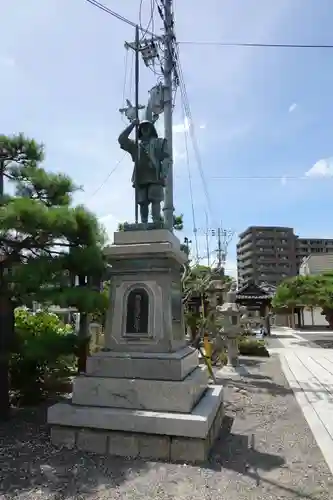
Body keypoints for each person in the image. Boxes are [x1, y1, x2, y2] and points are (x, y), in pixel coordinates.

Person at [118, 119, 170, 224]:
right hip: (140, 177)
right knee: (142, 202)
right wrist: (132, 125)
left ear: (152, 129)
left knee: (155, 199)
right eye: (142, 127)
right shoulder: (135, 145)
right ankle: (144, 223)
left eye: (147, 127)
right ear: (139, 130)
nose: (145, 129)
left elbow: (167, 158)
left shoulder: (160, 143)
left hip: (155, 176)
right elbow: (122, 139)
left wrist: (163, 173)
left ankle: (156, 222)